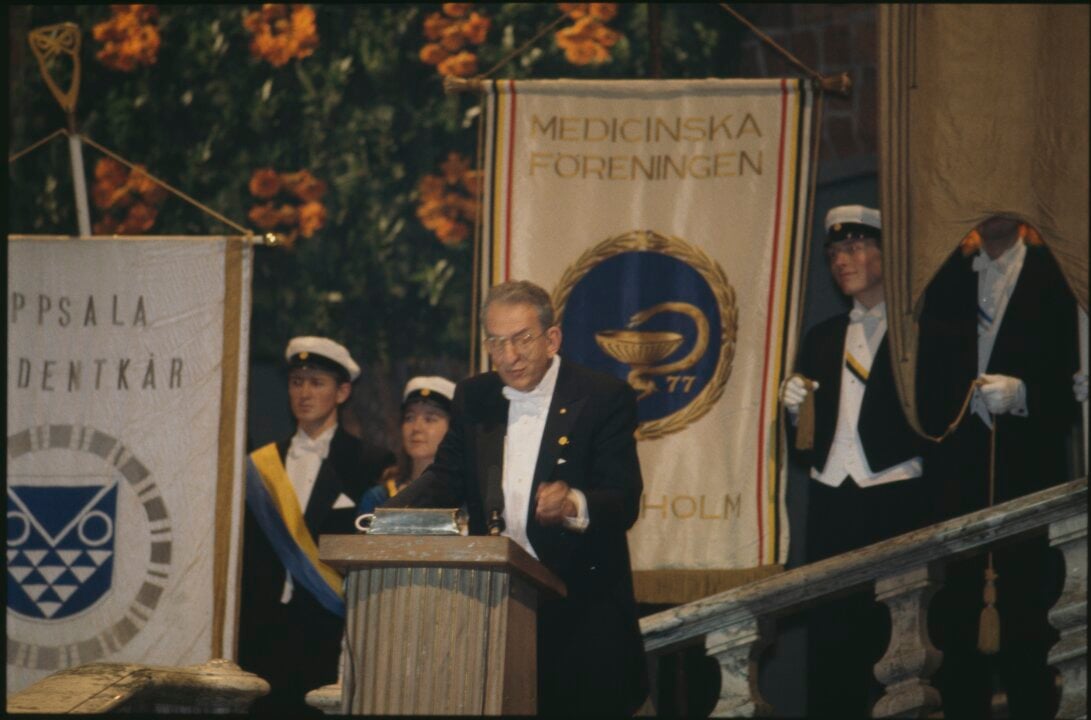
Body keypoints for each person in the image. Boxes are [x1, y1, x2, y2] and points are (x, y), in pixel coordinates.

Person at [384, 280, 649, 716]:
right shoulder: (475, 395)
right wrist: (386, 517)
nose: (509, 356)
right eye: (496, 342)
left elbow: (623, 499)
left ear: (552, 338)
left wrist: (573, 504)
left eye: (522, 339)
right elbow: (447, 476)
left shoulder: (602, 397)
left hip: (581, 616)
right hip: (495, 612)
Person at [916, 216, 1080, 719]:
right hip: (960, 485)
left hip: (1030, 478)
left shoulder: (1059, 275)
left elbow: (1077, 382)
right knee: (959, 635)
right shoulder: (946, 279)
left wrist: (1026, 394)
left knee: (1030, 632)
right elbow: (924, 379)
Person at [780, 205, 932, 716]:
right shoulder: (822, 337)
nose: (841, 260)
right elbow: (803, 446)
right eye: (834, 253)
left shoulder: (916, 333)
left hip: (894, 495)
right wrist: (793, 412)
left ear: (886, 253)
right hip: (832, 499)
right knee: (832, 637)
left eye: (854, 248)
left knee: (895, 637)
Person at [238, 336, 393, 715]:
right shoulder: (259, 465)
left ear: (342, 392)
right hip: (264, 632)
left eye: (317, 383)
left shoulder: (369, 463)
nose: (304, 393)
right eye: (296, 382)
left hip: (329, 632)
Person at [356, 375, 456, 514]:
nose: (416, 428)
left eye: (430, 419)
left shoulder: (466, 499)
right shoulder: (379, 498)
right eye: (409, 418)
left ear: (452, 429)